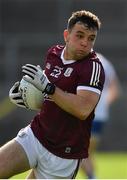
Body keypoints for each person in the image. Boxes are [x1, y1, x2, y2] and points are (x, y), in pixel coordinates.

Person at [0, 10, 105, 179]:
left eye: (91, 38)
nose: (85, 43)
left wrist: (49, 88)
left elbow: (82, 109)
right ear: (66, 35)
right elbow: (51, 98)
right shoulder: (54, 53)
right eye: (80, 35)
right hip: (36, 135)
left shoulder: (93, 67)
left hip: (63, 154)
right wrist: (28, 97)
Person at [80, 53, 121, 179]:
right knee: (87, 153)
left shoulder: (82, 61)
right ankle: (93, 176)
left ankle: (93, 177)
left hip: (87, 115)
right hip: (100, 117)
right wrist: (103, 104)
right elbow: (116, 90)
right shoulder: (105, 62)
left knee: (80, 152)